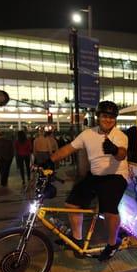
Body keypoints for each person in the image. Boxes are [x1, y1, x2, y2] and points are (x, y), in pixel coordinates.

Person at [49, 101, 127, 261]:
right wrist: (49, 161)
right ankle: (77, 240)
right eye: (105, 116)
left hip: (116, 175)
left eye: (112, 117)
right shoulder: (87, 134)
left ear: (115, 119)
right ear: (98, 117)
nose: (108, 120)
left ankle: (112, 244)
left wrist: (113, 149)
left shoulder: (120, 135)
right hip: (95, 175)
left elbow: (122, 154)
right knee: (72, 204)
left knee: (109, 210)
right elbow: (67, 149)